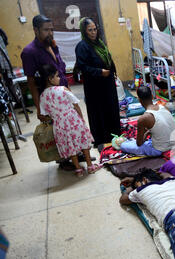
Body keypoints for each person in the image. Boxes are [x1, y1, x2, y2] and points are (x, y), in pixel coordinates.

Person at [21, 15, 90, 171]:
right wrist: (39, 108)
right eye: (46, 30)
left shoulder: (52, 45)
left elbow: (61, 71)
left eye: (51, 29)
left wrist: (68, 91)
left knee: (72, 128)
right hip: (50, 100)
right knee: (59, 131)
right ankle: (64, 159)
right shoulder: (29, 52)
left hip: (62, 93)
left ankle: (78, 154)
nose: (50, 33)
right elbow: (31, 83)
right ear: (35, 30)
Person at [36, 64, 101, 177]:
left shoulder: (42, 96)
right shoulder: (62, 89)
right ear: (50, 79)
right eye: (57, 76)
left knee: (70, 146)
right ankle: (90, 166)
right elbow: (76, 105)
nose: (59, 78)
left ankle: (78, 169)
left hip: (59, 125)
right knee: (83, 142)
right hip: (73, 120)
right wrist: (81, 119)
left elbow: (45, 115)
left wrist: (56, 116)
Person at [75, 17, 121, 147]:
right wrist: (99, 72)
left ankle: (114, 133)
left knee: (111, 107)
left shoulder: (100, 43)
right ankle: (102, 138)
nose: (93, 32)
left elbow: (108, 58)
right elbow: (82, 67)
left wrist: (112, 72)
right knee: (99, 110)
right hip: (95, 86)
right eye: (90, 30)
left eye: (95, 29)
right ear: (84, 31)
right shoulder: (82, 46)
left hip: (107, 83)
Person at [119, 86, 175, 156]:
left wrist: (146, 134)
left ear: (139, 100)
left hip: (160, 150)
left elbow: (139, 143)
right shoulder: (164, 107)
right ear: (152, 96)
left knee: (123, 145)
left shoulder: (144, 118)